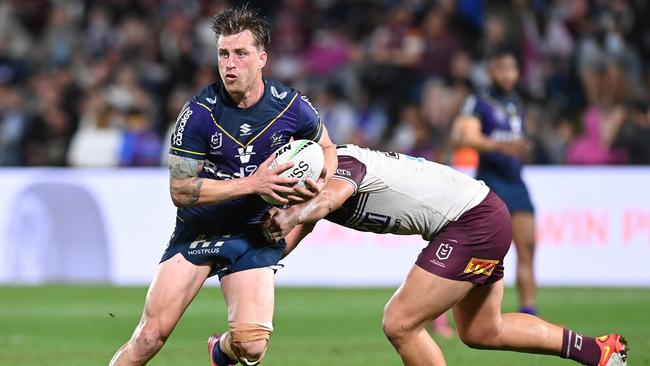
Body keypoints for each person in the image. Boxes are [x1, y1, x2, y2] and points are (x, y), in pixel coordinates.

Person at [109, 6, 337, 366]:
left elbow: (325, 147)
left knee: (251, 346)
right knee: (148, 338)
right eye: (223, 54)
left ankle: (220, 351)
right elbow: (179, 191)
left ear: (262, 58)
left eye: (241, 54)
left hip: (253, 234)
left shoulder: (291, 106)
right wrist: (253, 184)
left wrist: (316, 185)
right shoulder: (199, 112)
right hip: (200, 228)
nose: (230, 64)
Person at [263, 144, 628, 366]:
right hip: (481, 214)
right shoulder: (314, 191)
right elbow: (303, 225)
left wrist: (293, 213)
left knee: (399, 323)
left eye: (288, 190)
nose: (287, 198)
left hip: (472, 223)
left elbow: (329, 199)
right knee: (483, 330)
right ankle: (598, 352)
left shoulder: (344, 166)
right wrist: (264, 264)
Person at [451, 46, 537, 315]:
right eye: (502, 68)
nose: (508, 75)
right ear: (492, 71)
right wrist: (501, 146)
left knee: (528, 247)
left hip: (517, 182)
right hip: (492, 184)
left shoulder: (517, 102)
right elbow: (463, 137)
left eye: (512, 69)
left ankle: (528, 310)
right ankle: (455, 306)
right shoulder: (479, 102)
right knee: (484, 254)